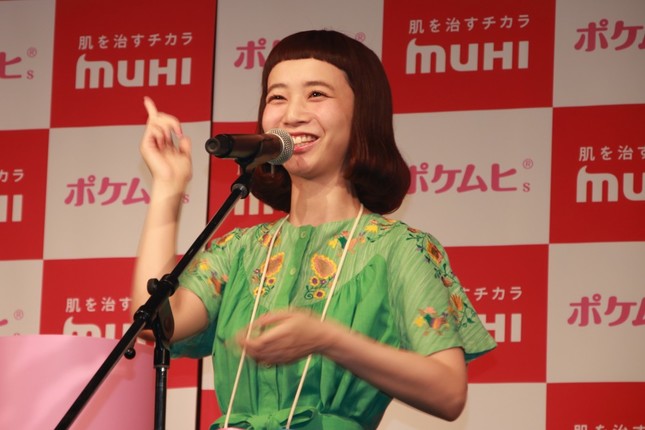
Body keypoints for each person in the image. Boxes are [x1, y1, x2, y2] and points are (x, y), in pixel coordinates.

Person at [132, 29, 496, 430]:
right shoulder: (241, 249)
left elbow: (448, 392)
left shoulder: (400, 248)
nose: (292, 114)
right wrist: (168, 186)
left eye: (316, 94)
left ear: (362, 114)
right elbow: (154, 323)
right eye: (277, 97)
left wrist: (329, 340)